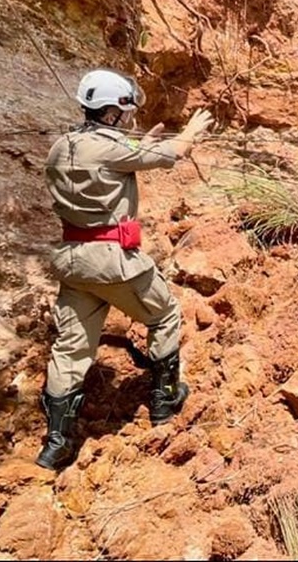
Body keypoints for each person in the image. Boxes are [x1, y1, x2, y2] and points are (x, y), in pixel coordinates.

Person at [36, 68, 213, 470]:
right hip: (113, 260)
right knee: (165, 313)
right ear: (115, 110)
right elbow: (173, 154)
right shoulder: (110, 147)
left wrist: (139, 147)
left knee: (71, 349)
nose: (129, 115)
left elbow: (112, 161)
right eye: (126, 109)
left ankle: (56, 443)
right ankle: (164, 402)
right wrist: (193, 130)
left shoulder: (61, 147)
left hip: (74, 260)